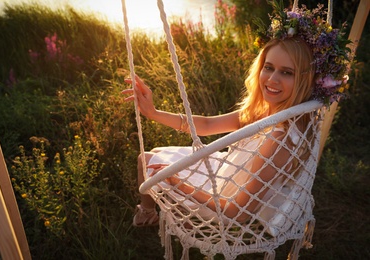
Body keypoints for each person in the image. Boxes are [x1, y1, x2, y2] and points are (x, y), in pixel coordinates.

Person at [122, 4, 350, 227]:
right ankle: (148, 212)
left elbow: (235, 214)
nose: (272, 80)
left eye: (287, 72)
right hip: (228, 173)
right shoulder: (270, 114)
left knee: (148, 163)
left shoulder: (279, 141)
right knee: (149, 158)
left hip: (222, 200)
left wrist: (176, 182)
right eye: (268, 67)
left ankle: (147, 212)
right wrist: (153, 113)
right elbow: (207, 124)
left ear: (306, 79)